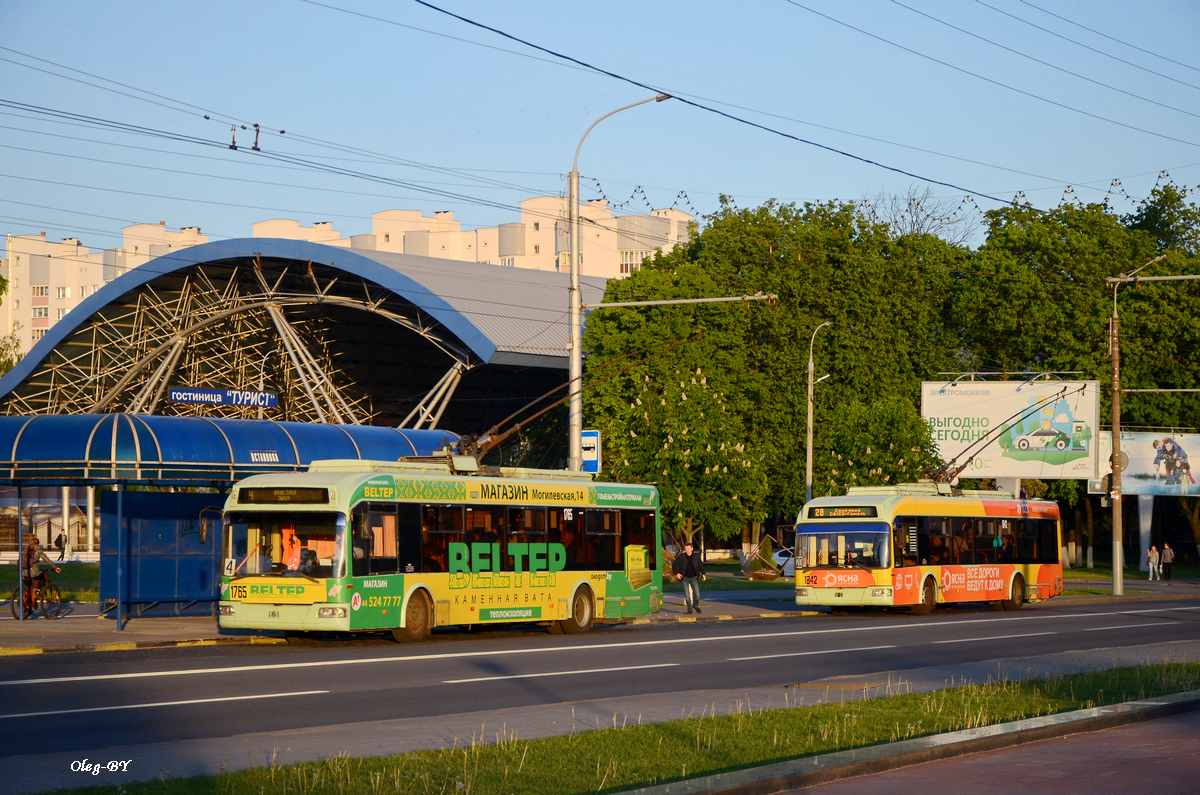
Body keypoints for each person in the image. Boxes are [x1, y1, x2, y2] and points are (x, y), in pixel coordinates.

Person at [21, 537, 61, 619]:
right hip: (33, 572)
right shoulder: (38, 550)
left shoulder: (26, 549)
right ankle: (38, 591)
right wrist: (55, 567)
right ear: (38, 544)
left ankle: (28, 608)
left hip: (23, 572)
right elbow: (46, 559)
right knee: (43, 577)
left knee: (28, 589)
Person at [672, 539, 706, 614]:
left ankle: (695, 605)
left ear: (692, 548)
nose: (687, 550)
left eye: (688, 548)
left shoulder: (696, 557)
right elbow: (674, 565)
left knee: (697, 594)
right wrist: (677, 573)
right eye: (686, 548)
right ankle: (689, 609)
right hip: (684, 578)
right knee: (687, 595)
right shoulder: (681, 557)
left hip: (694, 577)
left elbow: (700, 566)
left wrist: (703, 574)